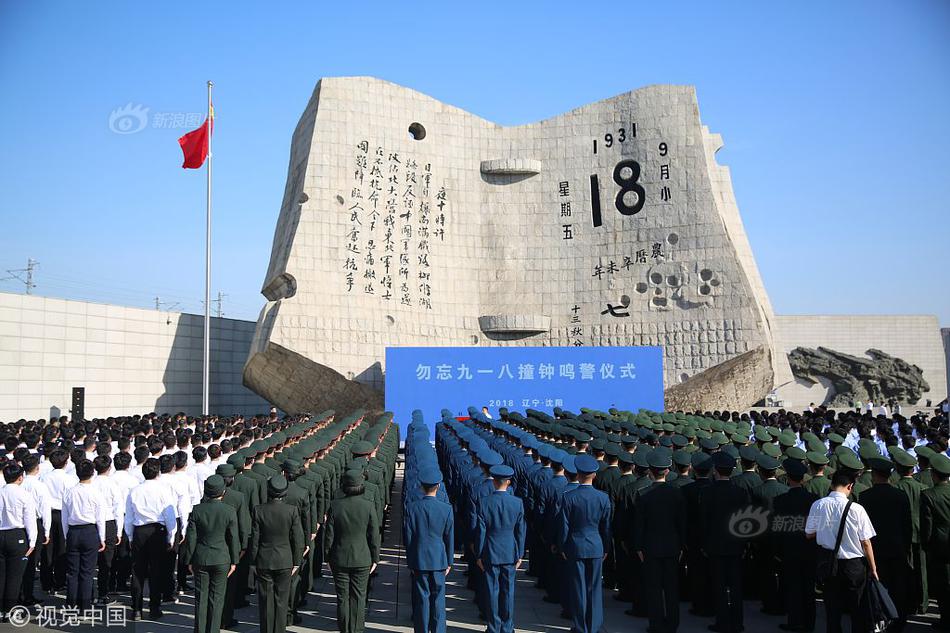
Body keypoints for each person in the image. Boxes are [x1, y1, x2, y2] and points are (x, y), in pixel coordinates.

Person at [805, 469, 879, 633]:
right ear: (850, 486)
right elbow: (866, 542)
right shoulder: (857, 509)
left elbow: (809, 533)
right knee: (857, 607)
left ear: (832, 485)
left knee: (832, 608)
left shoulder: (818, 505)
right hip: (854, 565)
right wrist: (873, 568)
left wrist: (826, 530)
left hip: (828, 562)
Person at [557, 454, 611, 633]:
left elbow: (564, 526)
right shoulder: (603, 498)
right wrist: (606, 547)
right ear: (594, 475)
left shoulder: (568, 497)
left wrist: (563, 546)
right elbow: (606, 527)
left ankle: (581, 627)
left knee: (578, 588)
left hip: (576, 546)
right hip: (596, 546)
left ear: (578, 474)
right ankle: (594, 626)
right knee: (594, 588)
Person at [633, 450, 686, 633]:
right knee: (671, 588)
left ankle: (656, 624)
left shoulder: (643, 494)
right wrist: (682, 545)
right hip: (672, 546)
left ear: (650, 471)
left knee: (654, 588)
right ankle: (672, 624)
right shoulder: (677, 493)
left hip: (651, 546)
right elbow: (681, 523)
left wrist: (638, 547)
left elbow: (639, 525)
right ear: (667, 471)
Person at [181, 474, 240, 633]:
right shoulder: (229, 511)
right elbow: (233, 537)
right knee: (217, 599)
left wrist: (189, 560)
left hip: (201, 558)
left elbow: (191, 538)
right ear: (223, 492)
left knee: (201, 598)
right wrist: (234, 561)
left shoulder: (197, 510)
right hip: (222, 558)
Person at [324, 470, 380, 633]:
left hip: (339, 557)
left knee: (342, 597)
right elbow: (374, 534)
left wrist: (327, 557)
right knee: (359, 597)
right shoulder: (368, 505)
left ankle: (344, 629)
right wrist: (375, 558)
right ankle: (356, 629)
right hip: (362, 557)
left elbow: (329, 535)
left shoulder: (335, 505)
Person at [701, 451, 750, 633]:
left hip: (715, 546)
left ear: (715, 470)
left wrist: (704, 544)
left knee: (719, 586)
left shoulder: (708, 492)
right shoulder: (741, 492)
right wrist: (745, 544)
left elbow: (704, 521)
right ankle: (737, 622)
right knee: (736, 587)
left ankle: (722, 622)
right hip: (736, 546)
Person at [250, 475, 304, 633]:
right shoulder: (291, 511)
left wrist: (253, 561)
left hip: (264, 559)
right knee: (282, 601)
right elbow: (297, 539)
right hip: (284, 560)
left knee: (266, 600)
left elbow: (255, 540)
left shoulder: (259, 510)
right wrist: (297, 561)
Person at [124, 457, 177, 621]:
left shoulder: (134, 491)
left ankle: (136, 609)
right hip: (157, 531)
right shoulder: (163, 490)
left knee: (137, 571)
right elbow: (170, 516)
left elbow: (129, 517)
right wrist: (171, 536)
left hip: (140, 531)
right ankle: (154, 608)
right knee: (156, 570)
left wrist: (130, 536)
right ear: (158, 472)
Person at [474, 464, 525, 633]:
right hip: (510, 552)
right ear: (508, 482)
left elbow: (481, 531)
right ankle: (507, 626)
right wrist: (520, 554)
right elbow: (520, 531)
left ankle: (494, 626)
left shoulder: (484, 503)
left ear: (494, 482)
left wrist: (479, 554)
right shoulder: (517, 503)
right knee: (508, 591)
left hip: (490, 551)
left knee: (491, 591)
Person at [404, 466, 454, 633]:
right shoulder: (446, 509)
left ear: (421, 486)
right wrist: (449, 561)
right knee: (438, 599)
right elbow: (449, 537)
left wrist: (410, 560)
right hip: (439, 558)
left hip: (419, 558)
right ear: (438, 486)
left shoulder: (412, 508)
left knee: (422, 599)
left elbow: (409, 538)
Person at [772, 458, 819, 632]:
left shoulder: (780, 500)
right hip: (809, 548)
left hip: (789, 549)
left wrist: (777, 551)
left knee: (793, 587)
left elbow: (778, 528)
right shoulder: (813, 499)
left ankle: (794, 621)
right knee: (808, 588)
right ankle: (809, 623)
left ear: (788, 478)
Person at [61, 459, 107, 614]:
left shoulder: (69, 492)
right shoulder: (96, 493)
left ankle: (71, 606)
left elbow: (64, 517)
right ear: (93, 473)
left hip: (73, 531)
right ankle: (85, 607)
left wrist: (67, 536)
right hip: (90, 531)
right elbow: (100, 518)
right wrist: (102, 537)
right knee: (87, 572)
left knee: (72, 572)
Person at [0, 463, 38, 621]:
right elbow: (30, 520)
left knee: (1, 575)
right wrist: (32, 541)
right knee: (14, 577)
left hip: (1, 533)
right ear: (20, 478)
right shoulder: (24, 494)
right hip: (17, 535)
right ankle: (9, 610)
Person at [920, 453, 950, 630]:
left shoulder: (929, 495)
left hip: (940, 547)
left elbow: (927, 526)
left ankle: (946, 621)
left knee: (943, 587)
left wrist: (926, 546)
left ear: (933, 474)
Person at [90, 455, 124, 605]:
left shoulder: (90, 483)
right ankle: (103, 593)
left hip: (92, 523)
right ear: (110, 468)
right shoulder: (112, 484)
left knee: (91, 562)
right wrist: (119, 531)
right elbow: (118, 509)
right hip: (109, 522)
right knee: (106, 561)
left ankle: (89, 593)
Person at [19, 454, 51, 606]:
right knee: (32, 562)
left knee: (20, 560)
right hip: (36, 523)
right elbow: (45, 510)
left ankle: (18, 593)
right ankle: (28, 594)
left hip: (20, 525)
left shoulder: (19, 483)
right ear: (37, 468)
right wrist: (47, 531)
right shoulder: (40, 486)